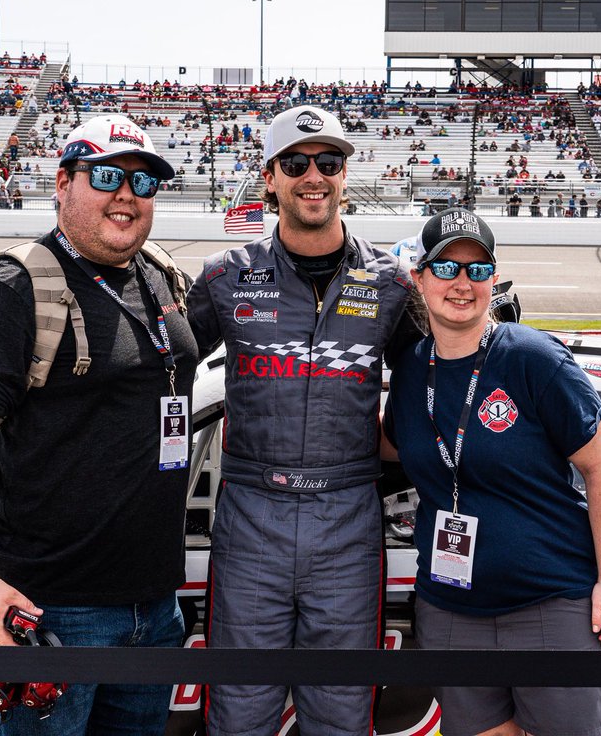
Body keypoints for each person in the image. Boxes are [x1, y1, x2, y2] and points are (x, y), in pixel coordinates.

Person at [0, 114, 194, 735]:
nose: (126, 194)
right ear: (63, 182)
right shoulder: (15, 289)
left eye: (143, 182)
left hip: (154, 607)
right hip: (52, 612)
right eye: (106, 176)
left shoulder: (159, 275)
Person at [186, 105, 423, 736]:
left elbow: (438, 384)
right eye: (296, 163)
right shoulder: (222, 277)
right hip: (250, 516)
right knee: (238, 714)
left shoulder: (393, 283)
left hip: (349, 515)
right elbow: (156, 374)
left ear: (346, 174)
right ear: (270, 178)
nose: (312, 175)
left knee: (342, 715)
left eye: (328, 162)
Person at [383, 208, 601, 736]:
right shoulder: (409, 371)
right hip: (451, 611)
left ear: (493, 278)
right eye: (446, 268)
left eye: (477, 269)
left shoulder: (533, 358)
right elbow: (383, 447)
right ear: (420, 278)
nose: (462, 283)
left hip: (551, 605)